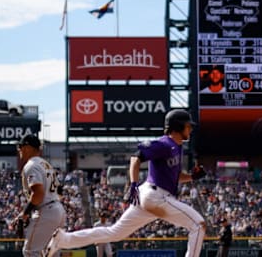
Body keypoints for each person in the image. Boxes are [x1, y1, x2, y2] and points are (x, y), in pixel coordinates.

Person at [44, 109, 207, 257]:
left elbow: (175, 176)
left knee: (114, 233)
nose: (190, 129)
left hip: (154, 197)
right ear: (177, 126)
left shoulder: (177, 147)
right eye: (187, 125)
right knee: (198, 225)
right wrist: (133, 183)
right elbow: (136, 158)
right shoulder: (164, 143)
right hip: (155, 196)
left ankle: (63, 240)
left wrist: (192, 177)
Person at [14, 133, 65, 257]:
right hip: (58, 210)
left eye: (20, 146)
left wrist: (26, 212)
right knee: (50, 252)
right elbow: (59, 191)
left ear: (27, 147)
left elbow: (38, 194)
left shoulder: (31, 165)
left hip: (46, 210)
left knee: (30, 251)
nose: (19, 150)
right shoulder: (46, 164)